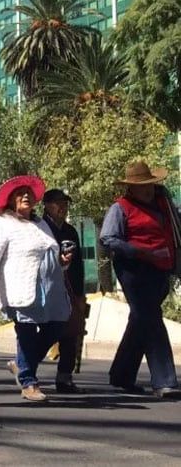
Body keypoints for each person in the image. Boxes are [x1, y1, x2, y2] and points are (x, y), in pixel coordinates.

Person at [0, 176, 71, 402]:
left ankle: (21, 365)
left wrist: (63, 261)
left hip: (50, 289)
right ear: (11, 199)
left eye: (29, 193)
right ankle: (29, 383)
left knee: (57, 328)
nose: (26, 196)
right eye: (20, 193)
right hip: (20, 287)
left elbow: (49, 253)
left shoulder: (41, 224)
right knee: (27, 334)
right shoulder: (1, 224)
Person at [100, 161, 181, 398]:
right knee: (151, 318)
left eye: (150, 185)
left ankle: (121, 376)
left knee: (141, 319)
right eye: (142, 186)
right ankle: (164, 380)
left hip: (160, 270)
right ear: (131, 188)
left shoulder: (164, 205)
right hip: (133, 270)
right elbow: (108, 238)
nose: (148, 190)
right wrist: (140, 252)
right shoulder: (120, 208)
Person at [42, 189, 88, 394]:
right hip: (46, 289)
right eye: (57, 203)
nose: (62, 207)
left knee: (71, 332)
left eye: (65, 203)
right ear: (47, 205)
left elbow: (78, 266)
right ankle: (26, 370)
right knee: (47, 332)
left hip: (69, 290)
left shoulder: (70, 232)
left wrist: (80, 294)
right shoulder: (40, 229)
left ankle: (64, 378)